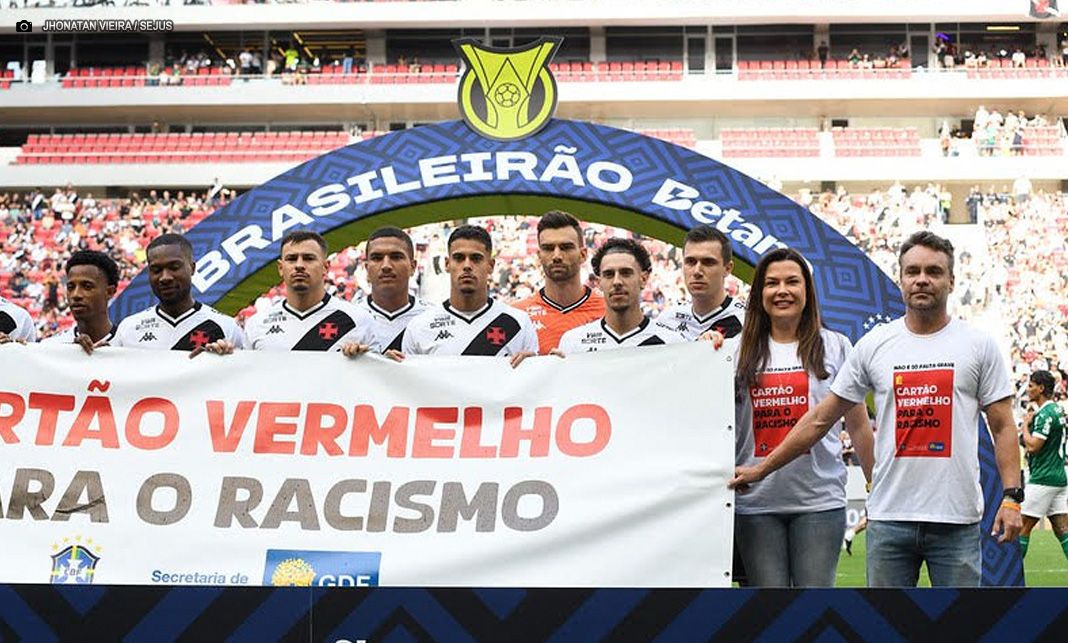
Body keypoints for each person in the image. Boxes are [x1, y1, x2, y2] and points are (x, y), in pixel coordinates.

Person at [731, 231, 1022, 587]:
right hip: (890, 519)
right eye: (913, 271)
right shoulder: (875, 345)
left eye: (933, 271)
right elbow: (822, 418)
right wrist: (763, 469)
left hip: (956, 518)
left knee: (960, 627)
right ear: (900, 279)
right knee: (885, 630)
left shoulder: (977, 345)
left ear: (951, 280)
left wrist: (1011, 497)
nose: (922, 280)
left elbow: (1004, 426)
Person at [732, 248, 874, 587]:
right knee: (769, 609)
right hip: (755, 504)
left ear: (807, 291)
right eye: (772, 283)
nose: (782, 290)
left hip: (818, 502)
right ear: (759, 294)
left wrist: (876, 486)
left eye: (792, 282)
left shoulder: (837, 346)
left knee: (813, 607)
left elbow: (857, 425)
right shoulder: (735, 351)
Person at [402, 225, 538, 361]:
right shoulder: (420, 327)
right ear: (447, 264)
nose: (467, 265)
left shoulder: (519, 324)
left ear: (490, 265)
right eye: (459, 258)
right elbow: (407, 380)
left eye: (476, 258)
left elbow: (533, 380)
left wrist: (533, 367)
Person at [111, 234, 247, 355]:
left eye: (174, 267)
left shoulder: (226, 327)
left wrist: (227, 359)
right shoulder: (129, 328)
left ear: (192, 268)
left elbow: (243, 377)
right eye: (156, 270)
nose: (165, 277)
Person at [245, 231, 376, 352]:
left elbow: (378, 373)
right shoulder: (257, 324)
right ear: (280, 268)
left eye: (308, 258)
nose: (299, 266)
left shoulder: (358, 320)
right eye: (291, 259)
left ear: (325, 267)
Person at [557, 238, 684, 354]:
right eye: (609, 274)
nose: (617, 281)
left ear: (644, 279)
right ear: (598, 282)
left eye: (626, 273)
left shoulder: (672, 343)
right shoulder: (573, 343)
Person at [513, 211, 605, 354]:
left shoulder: (608, 312)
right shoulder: (517, 315)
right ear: (539, 256)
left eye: (566, 247)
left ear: (583, 255)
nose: (556, 256)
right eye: (548, 248)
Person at [655, 225, 745, 341]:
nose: (697, 271)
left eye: (708, 262)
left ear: (727, 268)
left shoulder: (748, 321)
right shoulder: (668, 320)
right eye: (690, 262)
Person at [347, 226, 427, 355]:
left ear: (413, 267)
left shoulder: (432, 318)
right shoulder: (348, 319)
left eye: (396, 257)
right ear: (366, 268)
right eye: (377, 258)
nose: (386, 266)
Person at [1018, 370, 1068, 561]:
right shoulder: (1057, 410)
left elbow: (1033, 447)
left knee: (1022, 526)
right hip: (1059, 477)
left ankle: (1010, 581)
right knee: (1063, 530)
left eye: (1031, 385)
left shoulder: (1045, 414)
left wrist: (1025, 425)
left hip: (1043, 479)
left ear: (1041, 388)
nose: (1028, 389)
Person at [42, 250, 119, 353]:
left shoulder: (128, 345)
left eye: (87, 286)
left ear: (110, 292)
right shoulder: (51, 348)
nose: (76, 295)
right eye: (71, 287)